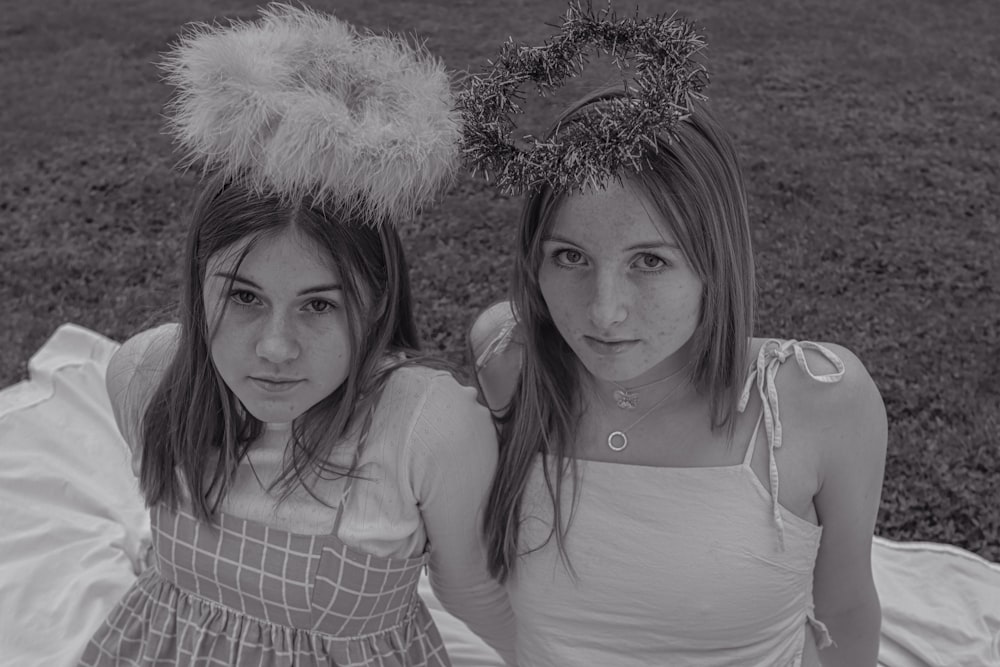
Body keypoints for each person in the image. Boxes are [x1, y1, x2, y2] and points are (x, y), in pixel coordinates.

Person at [78, 5, 516, 666]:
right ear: (199, 283)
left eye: (319, 305)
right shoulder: (146, 374)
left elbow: (474, 590)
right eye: (245, 296)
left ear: (377, 303)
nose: (275, 347)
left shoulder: (427, 428)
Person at [464, 17, 888, 663]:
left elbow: (848, 608)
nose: (604, 312)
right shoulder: (508, 358)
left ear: (714, 262)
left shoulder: (819, 404)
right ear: (533, 260)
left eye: (650, 261)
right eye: (571, 256)